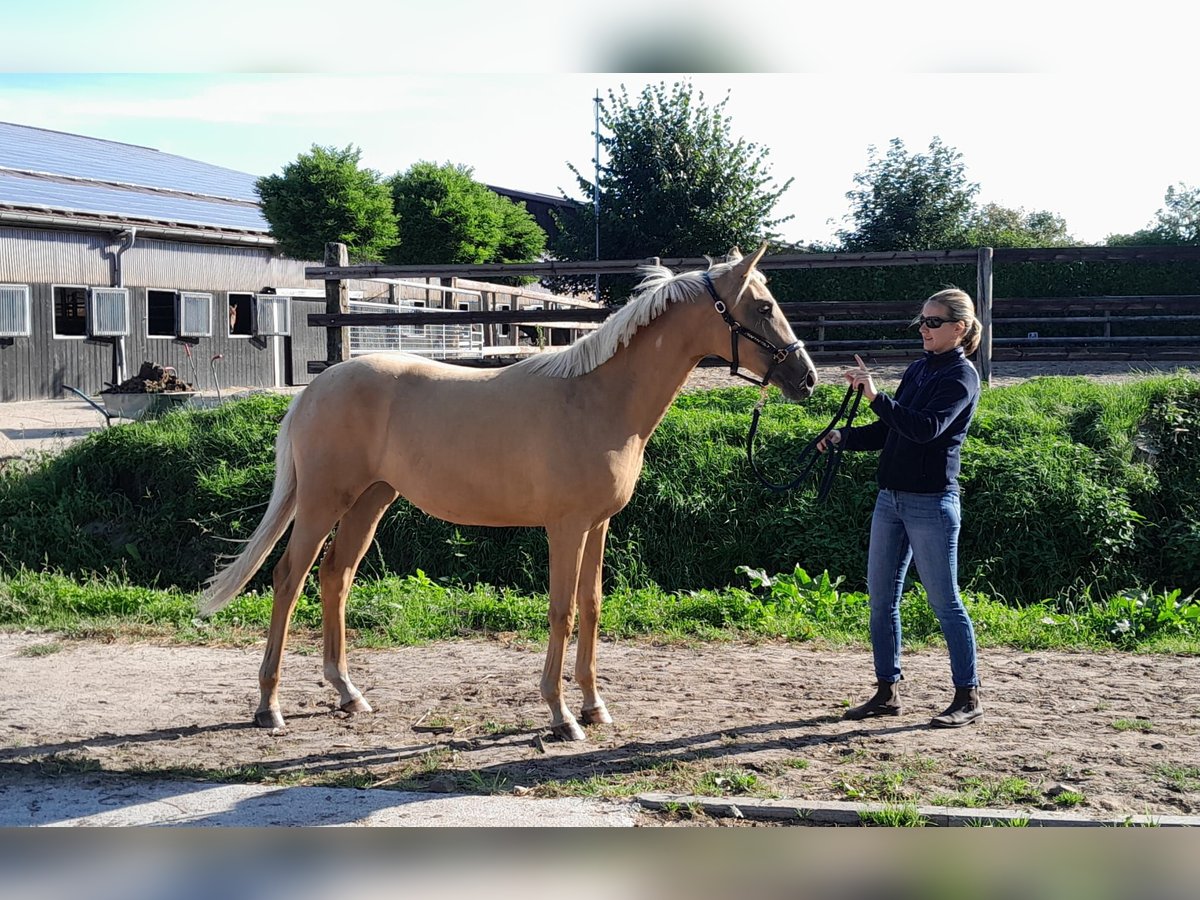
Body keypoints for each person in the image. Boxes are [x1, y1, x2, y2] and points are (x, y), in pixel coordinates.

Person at [817, 288, 984, 728]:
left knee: (945, 602)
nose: (924, 329)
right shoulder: (918, 370)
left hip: (931, 503)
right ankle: (887, 692)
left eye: (933, 322)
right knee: (881, 601)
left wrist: (875, 397)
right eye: (922, 322)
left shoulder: (961, 378)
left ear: (959, 328)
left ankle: (968, 695)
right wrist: (843, 438)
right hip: (890, 499)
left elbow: (925, 429)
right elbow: (892, 430)